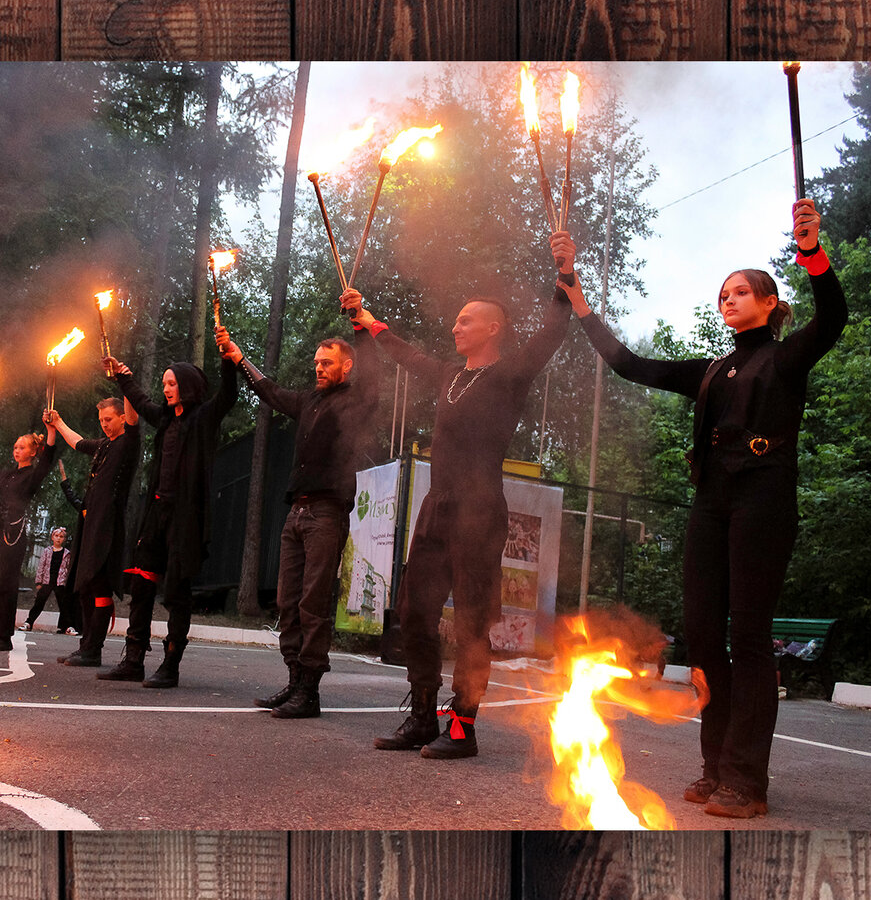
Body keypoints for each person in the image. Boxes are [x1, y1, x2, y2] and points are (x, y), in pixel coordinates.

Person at [558, 199, 845, 818]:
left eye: (741, 292)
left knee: (748, 637)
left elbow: (834, 318)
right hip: (712, 502)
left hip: (764, 497)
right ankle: (716, 767)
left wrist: (810, 249)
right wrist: (581, 303)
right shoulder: (714, 370)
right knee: (703, 635)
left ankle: (748, 780)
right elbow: (629, 364)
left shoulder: (786, 357)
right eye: (723, 295)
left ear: (769, 303)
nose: (729, 300)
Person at [342, 235, 573, 760]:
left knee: (472, 620)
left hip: (480, 510)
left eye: (466, 319)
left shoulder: (511, 373)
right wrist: (365, 319)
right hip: (437, 507)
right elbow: (403, 352)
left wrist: (565, 273)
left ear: (493, 328)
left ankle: (463, 727)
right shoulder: (449, 375)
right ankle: (424, 718)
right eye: (456, 319)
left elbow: (554, 332)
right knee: (414, 613)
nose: (455, 325)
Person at [215, 323, 377, 718]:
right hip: (297, 512)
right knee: (288, 602)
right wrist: (238, 359)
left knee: (312, 604)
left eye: (327, 363)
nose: (319, 368)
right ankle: (293, 682)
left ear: (348, 366)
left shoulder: (357, 401)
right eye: (317, 363)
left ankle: (310, 691)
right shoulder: (309, 401)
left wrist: (360, 324)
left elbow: (375, 372)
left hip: (327, 512)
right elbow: (269, 390)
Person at [98, 332, 238, 688]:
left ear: (187, 385)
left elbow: (228, 395)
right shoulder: (164, 418)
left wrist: (226, 357)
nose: (166, 388)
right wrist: (121, 375)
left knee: (176, 591)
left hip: (185, 518)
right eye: (164, 383)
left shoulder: (203, 417)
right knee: (142, 584)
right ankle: (133, 660)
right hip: (156, 512)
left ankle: (170, 666)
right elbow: (141, 401)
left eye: (172, 383)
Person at [47, 395, 141, 669]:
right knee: (85, 585)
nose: (104, 425)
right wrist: (59, 422)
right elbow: (77, 442)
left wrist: (125, 380)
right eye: (101, 421)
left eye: (109, 419)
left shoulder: (129, 443)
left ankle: (93, 649)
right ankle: (86, 647)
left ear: (123, 417)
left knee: (99, 586)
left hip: (107, 527)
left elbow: (136, 418)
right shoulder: (103, 445)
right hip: (90, 524)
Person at [0, 423, 57, 652]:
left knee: (6, 584)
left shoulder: (32, 475)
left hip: (13, 531)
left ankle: (3, 637)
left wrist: (51, 430)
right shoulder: (6, 474)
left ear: (33, 452)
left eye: (22, 447)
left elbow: (48, 459)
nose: (16, 450)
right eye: (15, 447)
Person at [20, 527, 75, 632]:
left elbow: (68, 569)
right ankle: (29, 622)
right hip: (47, 581)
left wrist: (66, 582)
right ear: (52, 537)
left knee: (64, 605)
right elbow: (41, 566)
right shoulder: (47, 551)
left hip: (60, 582)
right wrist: (38, 581)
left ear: (64, 539)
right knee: (39, 602)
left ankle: (67, 626)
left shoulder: (66, 553)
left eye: (61, 537)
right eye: (56, 536)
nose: (58, 539)